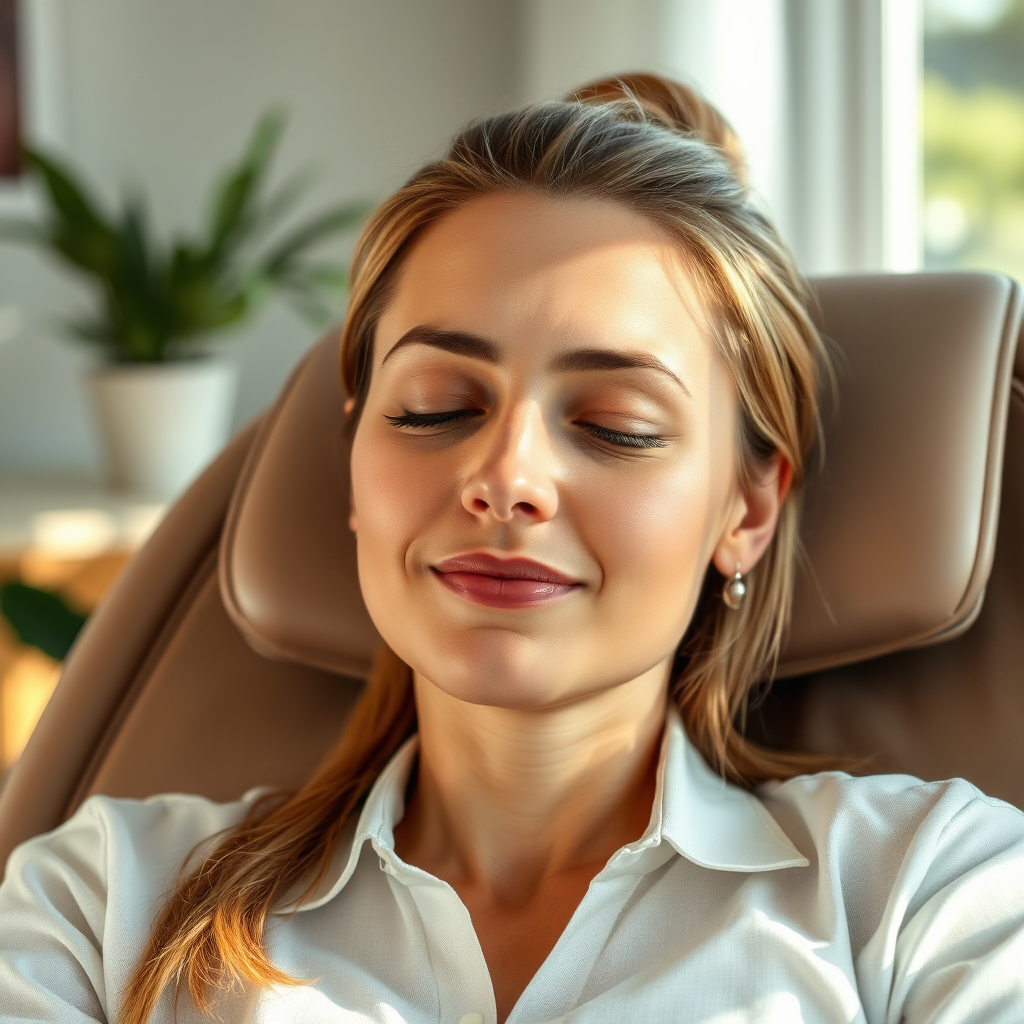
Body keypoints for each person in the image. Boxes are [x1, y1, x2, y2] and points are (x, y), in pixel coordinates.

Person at [2, 74, 1023, 1024]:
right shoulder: (102, 901)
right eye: (436, 408)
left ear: (745, 506)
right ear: (353, 462)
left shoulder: (929, 892)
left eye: (617, 424)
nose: (507, 476)